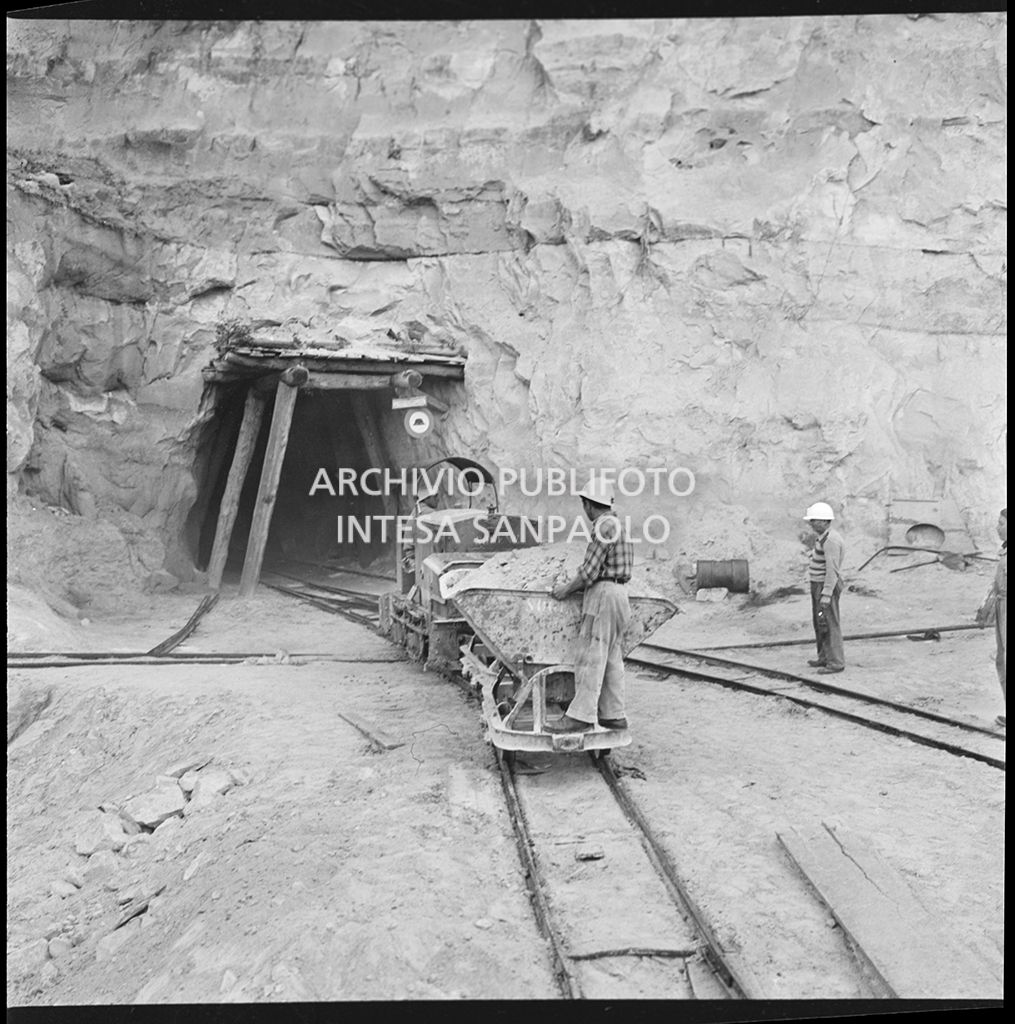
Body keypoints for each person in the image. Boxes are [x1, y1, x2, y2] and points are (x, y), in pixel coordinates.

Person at [547, 479, 634, 733]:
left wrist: (565, 589)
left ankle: (581, 716)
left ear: (588, 504)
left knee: (591, 654)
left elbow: (589, 573)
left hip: (604, 594)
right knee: (612, 656)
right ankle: (613, 714)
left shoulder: (602, 526)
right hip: (620, 594)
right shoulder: (618, 524)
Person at [804, 501, 846, 675]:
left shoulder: (831, 541)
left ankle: (835, 662)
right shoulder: (823, 538)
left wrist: (827, 594)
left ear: (823, 521)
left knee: (829, 624)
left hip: (824, 586)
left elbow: (832, 570)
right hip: (818, 585)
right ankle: (824, 657)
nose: (811, 524)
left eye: (814, 520)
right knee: (820, 623)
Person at [976, 508, 1006, 728]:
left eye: (1002, 523)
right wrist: (984, 608)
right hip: (1001, 606)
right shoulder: (1003, 552)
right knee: (1002, 660)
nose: (997, 527)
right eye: (998, 522)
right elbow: (996, 584)